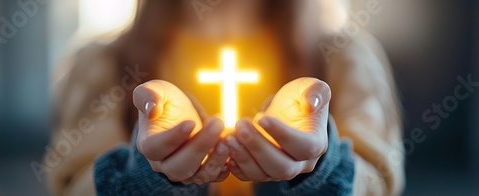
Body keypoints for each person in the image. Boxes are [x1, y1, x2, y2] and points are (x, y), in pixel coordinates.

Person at [46, 0, 404, 195]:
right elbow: (72, 182)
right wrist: (140, 179)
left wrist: (320, 172)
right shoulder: (102, 63)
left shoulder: (347, 59)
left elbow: (378, 179)